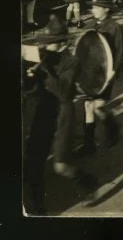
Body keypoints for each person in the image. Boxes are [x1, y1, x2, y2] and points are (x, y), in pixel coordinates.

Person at [23, 16, 85, 214]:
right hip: (43, 113)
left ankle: (83, 177)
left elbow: (64, 92)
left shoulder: (72, 62)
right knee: (34, 161)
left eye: (49, 43)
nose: (45, 46)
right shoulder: (43, 56)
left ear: (61, 43)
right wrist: (28, 76)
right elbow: (29, 89)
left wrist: (44, 70)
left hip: (62, 114)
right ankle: (36, 208)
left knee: (61, 166)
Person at [74, 0, 123, 158]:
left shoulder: (115, 27)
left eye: (96, 7)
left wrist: (113, 72)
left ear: (106, 9)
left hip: (106, 74)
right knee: (88, 106)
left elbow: (120, 52)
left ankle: (113, 130)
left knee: (98, 107)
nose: (93, 10)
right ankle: (89, 144)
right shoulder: (93, 26)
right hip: (92, 74)